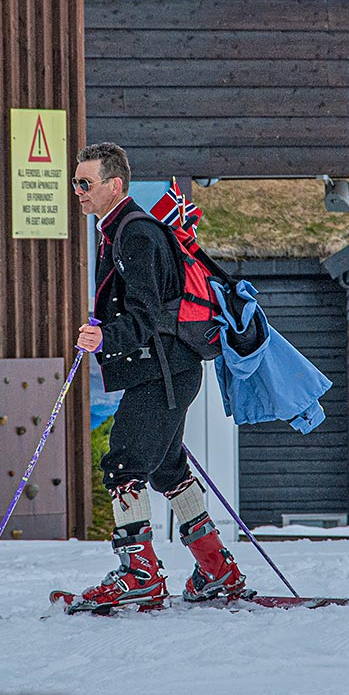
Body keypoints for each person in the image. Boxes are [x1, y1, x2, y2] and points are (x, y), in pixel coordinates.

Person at [70, 142, 250, 610]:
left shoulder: (135, 235)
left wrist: (105, 338)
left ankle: (139, 573)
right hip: (167, 371)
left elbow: (149, 315)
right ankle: (217, 570)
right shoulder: (119, 232)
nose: (77, 191)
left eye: (85, 183)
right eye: (75, 182)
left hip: (163, 372)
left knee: (123, 465)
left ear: (115, 185)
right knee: (168, 468)